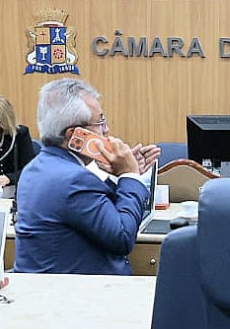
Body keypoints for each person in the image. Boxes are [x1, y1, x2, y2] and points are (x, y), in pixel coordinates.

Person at [13, 78, 162, 276]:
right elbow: (123, 238)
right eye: (100, 122)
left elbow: (94, 212)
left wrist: (122, 177)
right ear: (76, 135)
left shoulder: (36, 168)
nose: (106, 130)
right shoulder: (74, 180)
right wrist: (130, 176)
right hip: (78, 299)